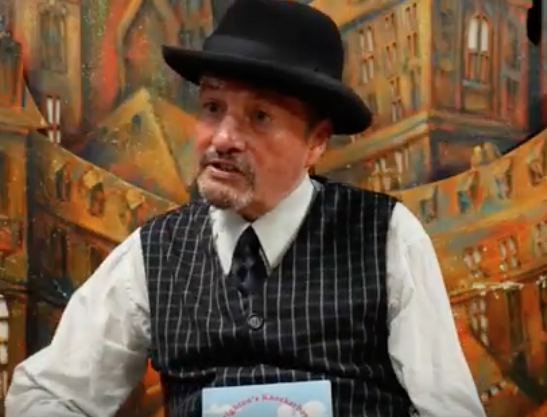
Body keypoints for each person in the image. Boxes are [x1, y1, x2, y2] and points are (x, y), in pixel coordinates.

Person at [6, 1, 486, 416]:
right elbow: (46, 394)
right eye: (213, 107)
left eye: (259, 116)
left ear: (316, 142)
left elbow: (449, 409)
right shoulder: (154, 253)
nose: (223, 139)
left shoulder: (387, 236)